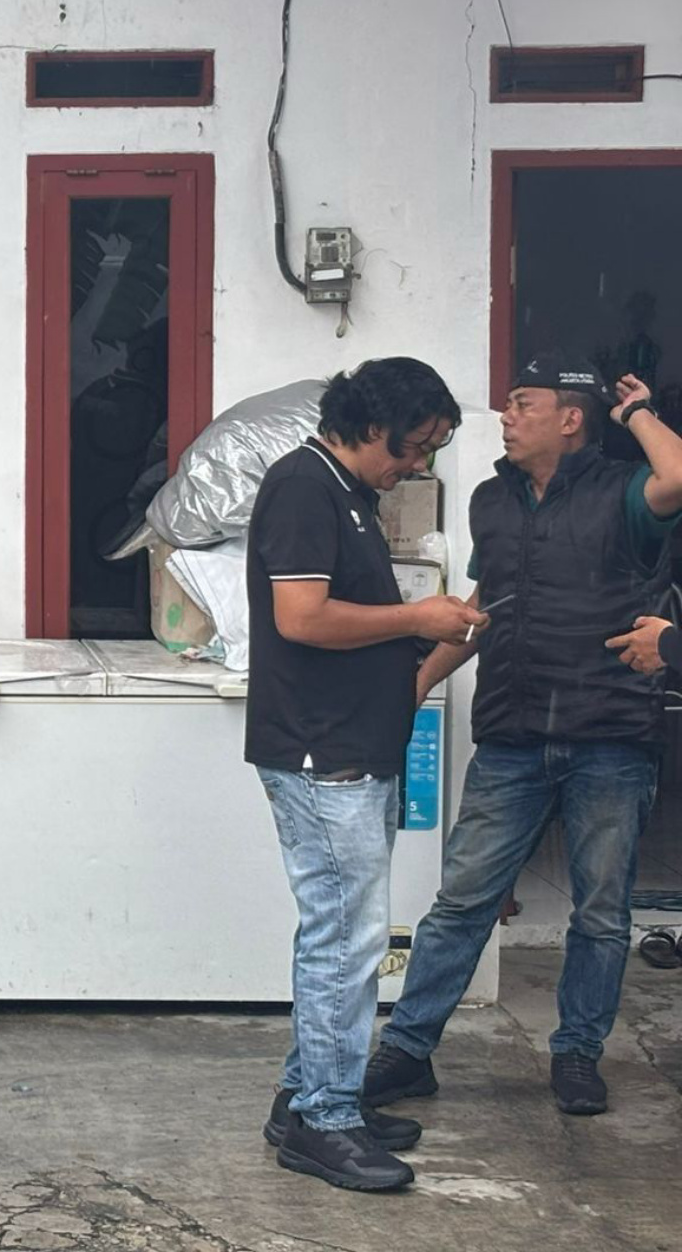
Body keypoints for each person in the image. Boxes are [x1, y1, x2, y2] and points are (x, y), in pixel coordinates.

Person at [366, 360, 682, 1118]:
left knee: (601, 912)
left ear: (570, 419)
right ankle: (408, 1050)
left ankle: (577, 1055)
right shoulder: (491, 499)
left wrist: (634, 412)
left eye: (522, 404)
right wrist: (418, 681)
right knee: (462, 901)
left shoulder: (624, 493)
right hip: (511, 733)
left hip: (609, 735)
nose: (505, 416)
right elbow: (488, 603)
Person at [245, 358, 483, 1193]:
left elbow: (363, 633)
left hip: (355, 746)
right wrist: (420, 615)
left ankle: (308, 1095)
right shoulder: (305, 486)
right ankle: (324, 1120)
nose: (416, 465)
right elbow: (301, 618)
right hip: (323, 754)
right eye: (413, 448)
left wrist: (433, 646)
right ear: (370, 422)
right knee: (345, 940)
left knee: (343, 936)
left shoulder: (350, 495)